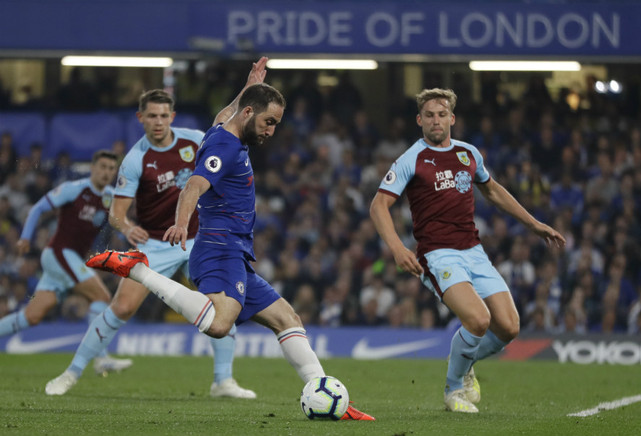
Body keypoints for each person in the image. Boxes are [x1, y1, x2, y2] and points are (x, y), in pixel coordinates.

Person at [85, 57, 374, 420]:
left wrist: (248, 85)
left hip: (235, 252)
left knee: (288, 318)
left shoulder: (224, 129)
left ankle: (327, 396)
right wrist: (180, 223)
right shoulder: (226, 148)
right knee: (220, 325)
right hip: (219, 248)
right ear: (251, 113)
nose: (271, 130)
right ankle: (139, 270)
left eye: (276, 124)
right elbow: (193, 185)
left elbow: (227, 113)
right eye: (269, 122)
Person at [45, 86, 256, 399]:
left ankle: (223, 381)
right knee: (123, 307)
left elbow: (226, 122)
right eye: (151, 116)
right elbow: (116, 213)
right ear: (140, 118)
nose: (158, 121)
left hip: (201, 239)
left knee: (221, 305)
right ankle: (71, 373)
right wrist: (128, 228)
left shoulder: (194, 139)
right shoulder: (135, 159)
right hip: (156, 243)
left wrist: (248, 88)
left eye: (163, 115)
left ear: (172, 116)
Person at [368, 88, 565, 413]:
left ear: (452, 119)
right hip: (437, 254)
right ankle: (453, 390)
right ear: (419, 120)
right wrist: (396, 248)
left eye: (442, 114)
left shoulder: (468, 153)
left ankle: (463, 357)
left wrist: (534, 224)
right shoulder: (411, 158)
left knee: (509, 327)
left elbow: (493, 191)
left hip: (473, 251)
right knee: (477, 320)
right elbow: (379, 205)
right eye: (429, 115)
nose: (436, 120)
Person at [0, 150, 132, 373]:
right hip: (59, 253)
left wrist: (133, 235)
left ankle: (101, 357)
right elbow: (38, 208)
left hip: (68, 259)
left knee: (32, 316)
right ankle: (101, 358)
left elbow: (121, 222)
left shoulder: (110, 196)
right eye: (103, 167)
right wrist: (25, 237)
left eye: (111, 169)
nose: (106, 172)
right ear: (93, 168)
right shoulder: (75, 189)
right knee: (100, 296)